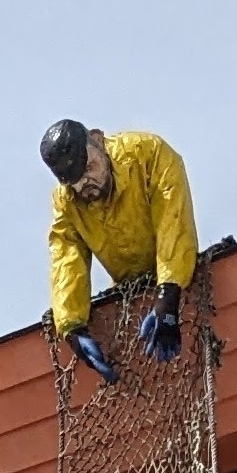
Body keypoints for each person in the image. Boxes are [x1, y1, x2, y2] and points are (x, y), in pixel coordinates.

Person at [40, 121, 198, 384]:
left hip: (179, 276)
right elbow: (66, 256)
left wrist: (168, 295)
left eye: (89, 168)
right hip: (127, 291)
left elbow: (173, 221)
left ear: (98, 140)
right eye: (74, 182)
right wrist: (71, 327)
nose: (84, 185)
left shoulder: (148, 152)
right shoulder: (66, 201)